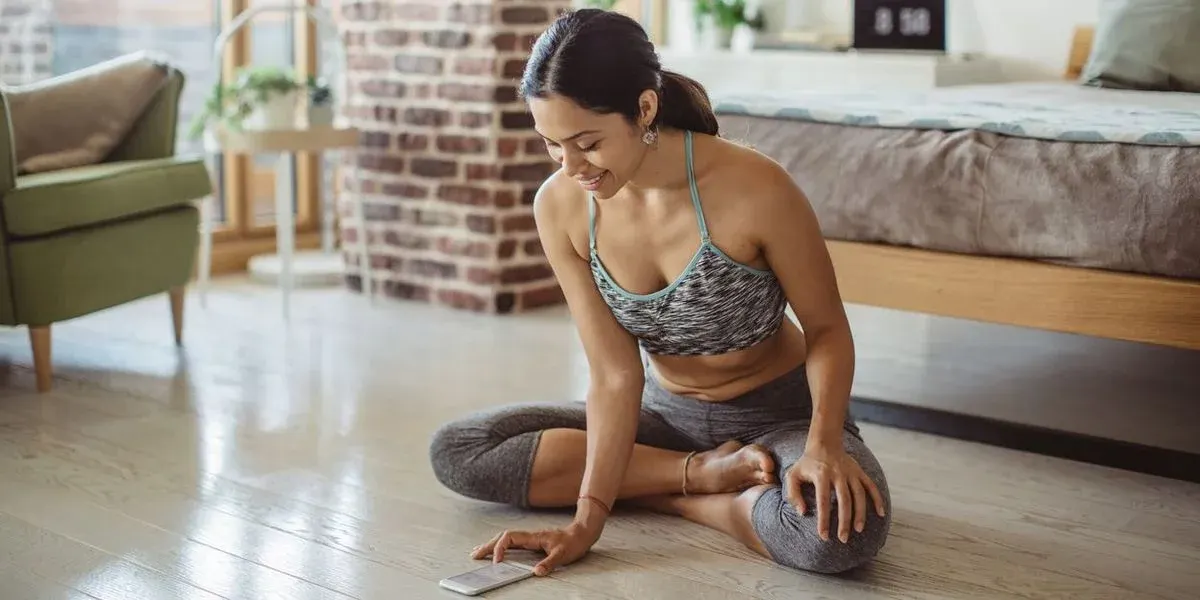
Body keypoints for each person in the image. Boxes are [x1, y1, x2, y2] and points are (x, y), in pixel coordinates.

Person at [429, 8, 891, 578]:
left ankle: (690, 498)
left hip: (782, 416)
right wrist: (586, 523)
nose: (570, 166)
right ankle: (697, 480)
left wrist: (823, 446)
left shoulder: (756, 189)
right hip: (662, 418)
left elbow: (826, 330)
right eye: (552, 144)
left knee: (842, 535)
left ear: (644, 108)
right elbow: (615, 374)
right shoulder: (561, 206)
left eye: (587, 143)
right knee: (462, 449)